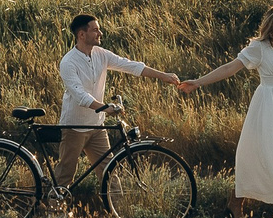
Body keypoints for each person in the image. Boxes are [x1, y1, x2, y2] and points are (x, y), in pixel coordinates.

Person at [181, 4, 273, 218]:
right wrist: (198, 82)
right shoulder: (258, 48)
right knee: (266, 156)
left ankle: (249, 203)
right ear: (270, 28)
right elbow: (230, 68)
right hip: (267, 106)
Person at [54, 13, 179, 199]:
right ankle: (51, 211)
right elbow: (79, 95)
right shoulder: (68, 62)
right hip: (75, 126)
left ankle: (118, 211)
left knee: (109, 172)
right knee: (65, 173)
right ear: (82, 34)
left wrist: (163, 76)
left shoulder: (101, 54)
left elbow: (129, 65)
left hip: (97, 126)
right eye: (95, 29)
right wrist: (104, 107)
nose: (100, 33)